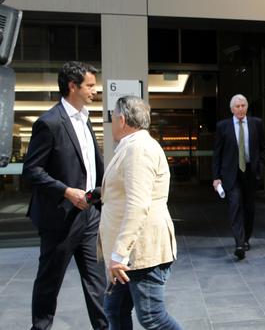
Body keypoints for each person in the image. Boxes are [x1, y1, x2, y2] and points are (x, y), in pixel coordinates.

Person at [22, 61, 108, 330]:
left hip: (90, 215)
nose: (95, 90)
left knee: (97, 283)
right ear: (73, 86)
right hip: (60, 219)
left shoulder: (85, 119)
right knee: (49, 282)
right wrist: (67, 192)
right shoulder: (49, 123)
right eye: (90, 86)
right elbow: (31, 171)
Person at [100, 96, 181, 330]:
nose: (112, 122)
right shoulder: (132, 146)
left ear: (122, 119)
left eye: (112, 117)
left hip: (140, 252)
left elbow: (138, 203)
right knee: (115, 310)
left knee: (152, 317)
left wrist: (119, 253)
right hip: (130, 254)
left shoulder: (138, 149)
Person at [212, 94, 265, 260]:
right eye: (237, 106)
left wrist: (261, 166)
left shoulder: (257, 124)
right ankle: (239, 243)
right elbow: (217, 153)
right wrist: (216, 176)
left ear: (247, 107)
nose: (240, 109)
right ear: (232, 109)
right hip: (231, 173)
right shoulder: (223, 126)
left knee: (249, 208)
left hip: (250, 171)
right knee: (235, 205)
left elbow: (263, 147)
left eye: (243, 105)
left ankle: (246, 238)